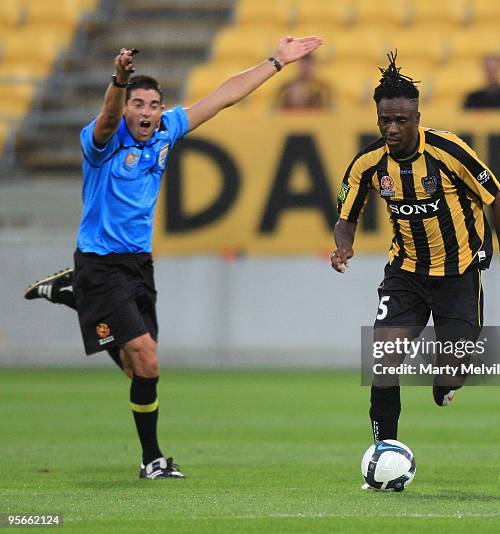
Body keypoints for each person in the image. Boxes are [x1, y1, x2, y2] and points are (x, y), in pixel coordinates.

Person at [23, 35, 323, 480]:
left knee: (136, 370)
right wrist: (117, 82)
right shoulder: (101, 140)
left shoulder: (167, 129)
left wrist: (277, 61)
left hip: (138, 266)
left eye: (153, 105)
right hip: (100, 263)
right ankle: (152, 460)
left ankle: (74, 294)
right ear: (127, 107)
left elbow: (223, 96)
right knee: (148, 360)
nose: (145, 113)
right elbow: (106, 117)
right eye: (138, 104)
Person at [331, 52, 500, 487]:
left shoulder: (449, 150)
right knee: (383, 359)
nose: (392, 128)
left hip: (459, 274)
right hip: (406, 274)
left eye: (401, 119)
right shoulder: (367, 164)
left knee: (448, 370)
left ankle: (447, 381)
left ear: (417, 116)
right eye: (385, 120)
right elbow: (346, 216)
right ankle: (385, 453)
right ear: (377, 117)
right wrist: (343, 246)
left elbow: (499, 200)